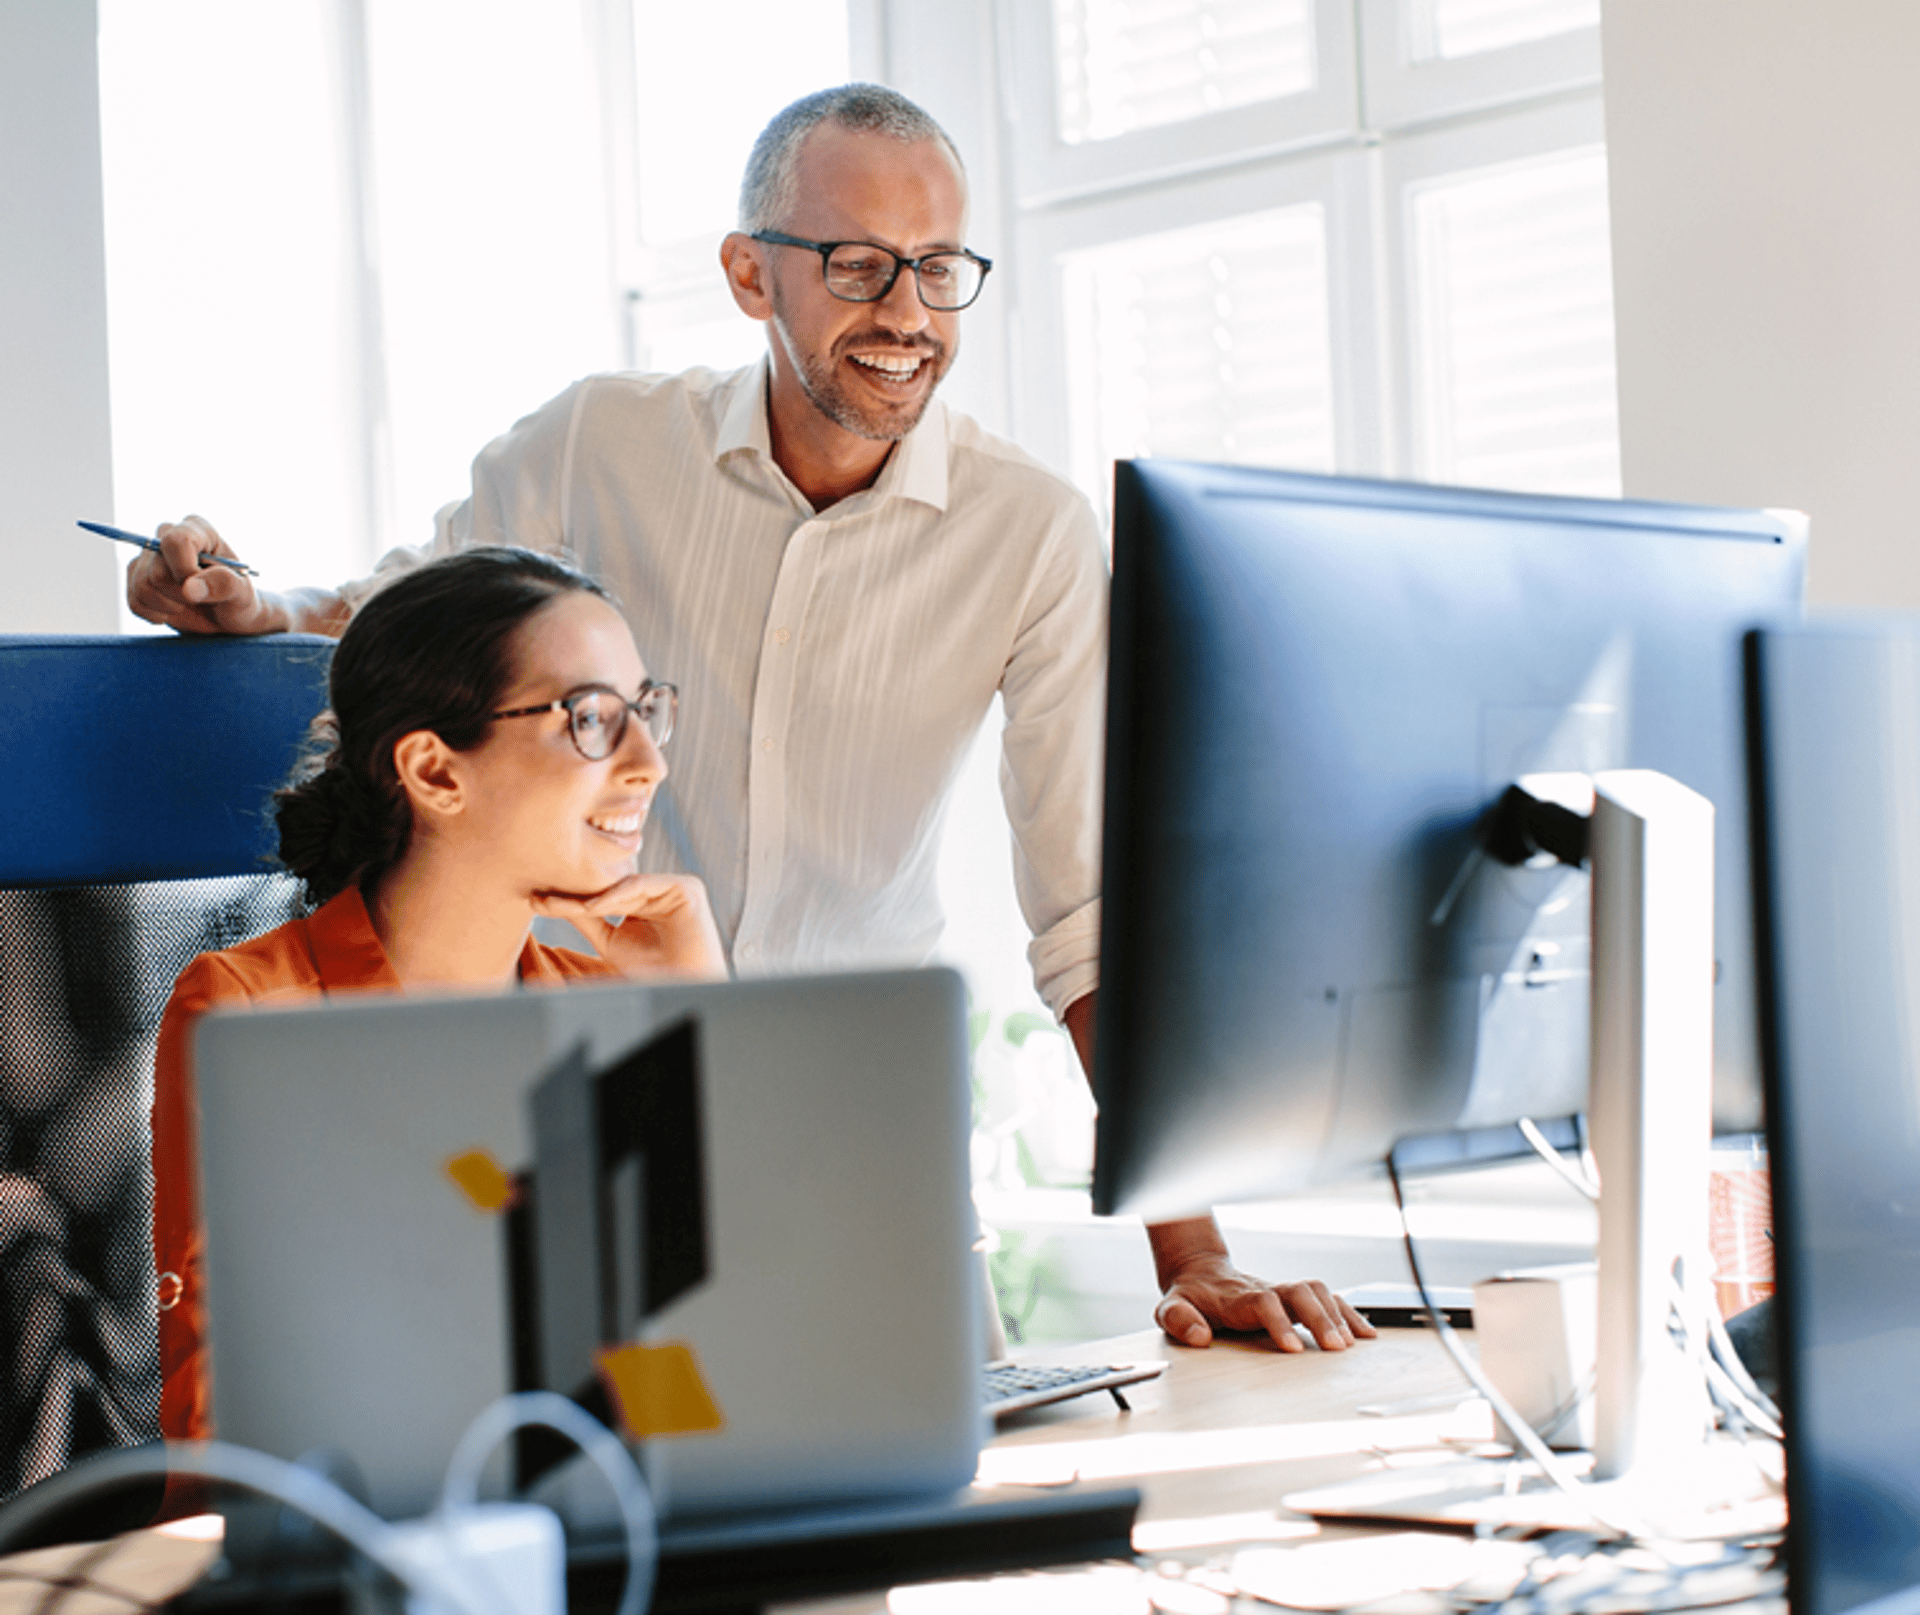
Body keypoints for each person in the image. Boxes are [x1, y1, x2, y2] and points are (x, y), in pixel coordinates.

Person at [127, 85, 1372, 1358]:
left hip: (851, 1149)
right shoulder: (597, 444)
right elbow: (418, 614)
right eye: (859, 265)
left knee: (921, 1491)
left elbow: (1091, 917)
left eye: (940, 270)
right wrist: (256, 603)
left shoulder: (1031, 533)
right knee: (652, 1448)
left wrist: (1194, 1249)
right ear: (748, 275)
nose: (907, 314)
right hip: (580, 1129)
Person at [151, 547, 728, 1440]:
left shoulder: (604, 1001)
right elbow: (230, 1432)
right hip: (355, 1556)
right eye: (592, 718)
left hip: (600, 1530)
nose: (650, 762)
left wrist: (696, 1014)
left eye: (648, 712)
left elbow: (703, 1370)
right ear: (435, 772)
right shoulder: (255, 1012)